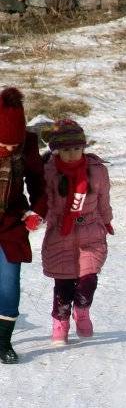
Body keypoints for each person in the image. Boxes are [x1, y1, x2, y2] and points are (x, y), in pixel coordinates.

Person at [37, 119, 113, 345]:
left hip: (91, 233)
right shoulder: (49, 173)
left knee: (88, 280)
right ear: (57, 151)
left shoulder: (97, 172)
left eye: (77, 149)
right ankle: (60, 322)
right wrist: (40, 217)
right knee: (63, 286)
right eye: (66, 150)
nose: (72, 154)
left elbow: (103, 200)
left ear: (83, 148)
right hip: (61, 235)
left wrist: (107, 221)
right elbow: (46, 204)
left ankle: (82, 310)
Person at [0, 87, 46, 364]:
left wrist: (36, 212)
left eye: (13, 145)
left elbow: (38, 182)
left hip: (11, 224)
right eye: (3, 144)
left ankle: (3, 342)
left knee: (8, 283)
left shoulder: (27, 144)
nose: (9, 150)